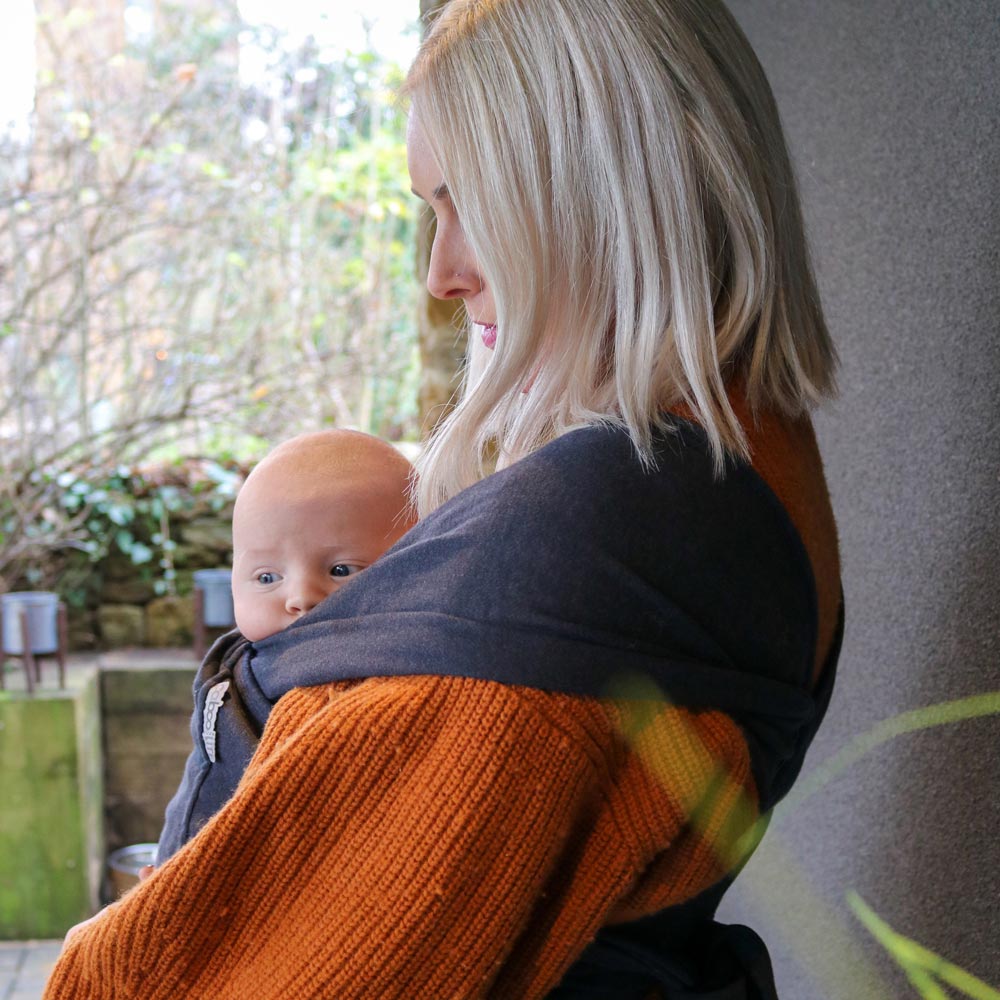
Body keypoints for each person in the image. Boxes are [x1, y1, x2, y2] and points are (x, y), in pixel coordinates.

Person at [44, 2, 843, 998]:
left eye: (470, 205)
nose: (440, 273)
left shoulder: (583, 554)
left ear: (610, 189)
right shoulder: (736, 465)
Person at [155, 429, 417, 861]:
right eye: (266, 577)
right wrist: (170, 864)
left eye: (340, 569)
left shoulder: (391, 679)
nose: (300, 597)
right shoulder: (237, 672)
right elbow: (201, 786)